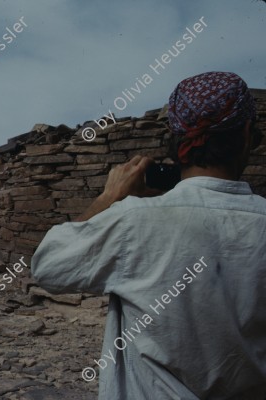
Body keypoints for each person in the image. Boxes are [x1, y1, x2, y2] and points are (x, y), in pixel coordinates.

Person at [31, 71, 266, 399]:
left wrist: (109, 198)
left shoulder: (132, 220)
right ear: (246, 135)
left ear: (176, 140)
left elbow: (48, 265)